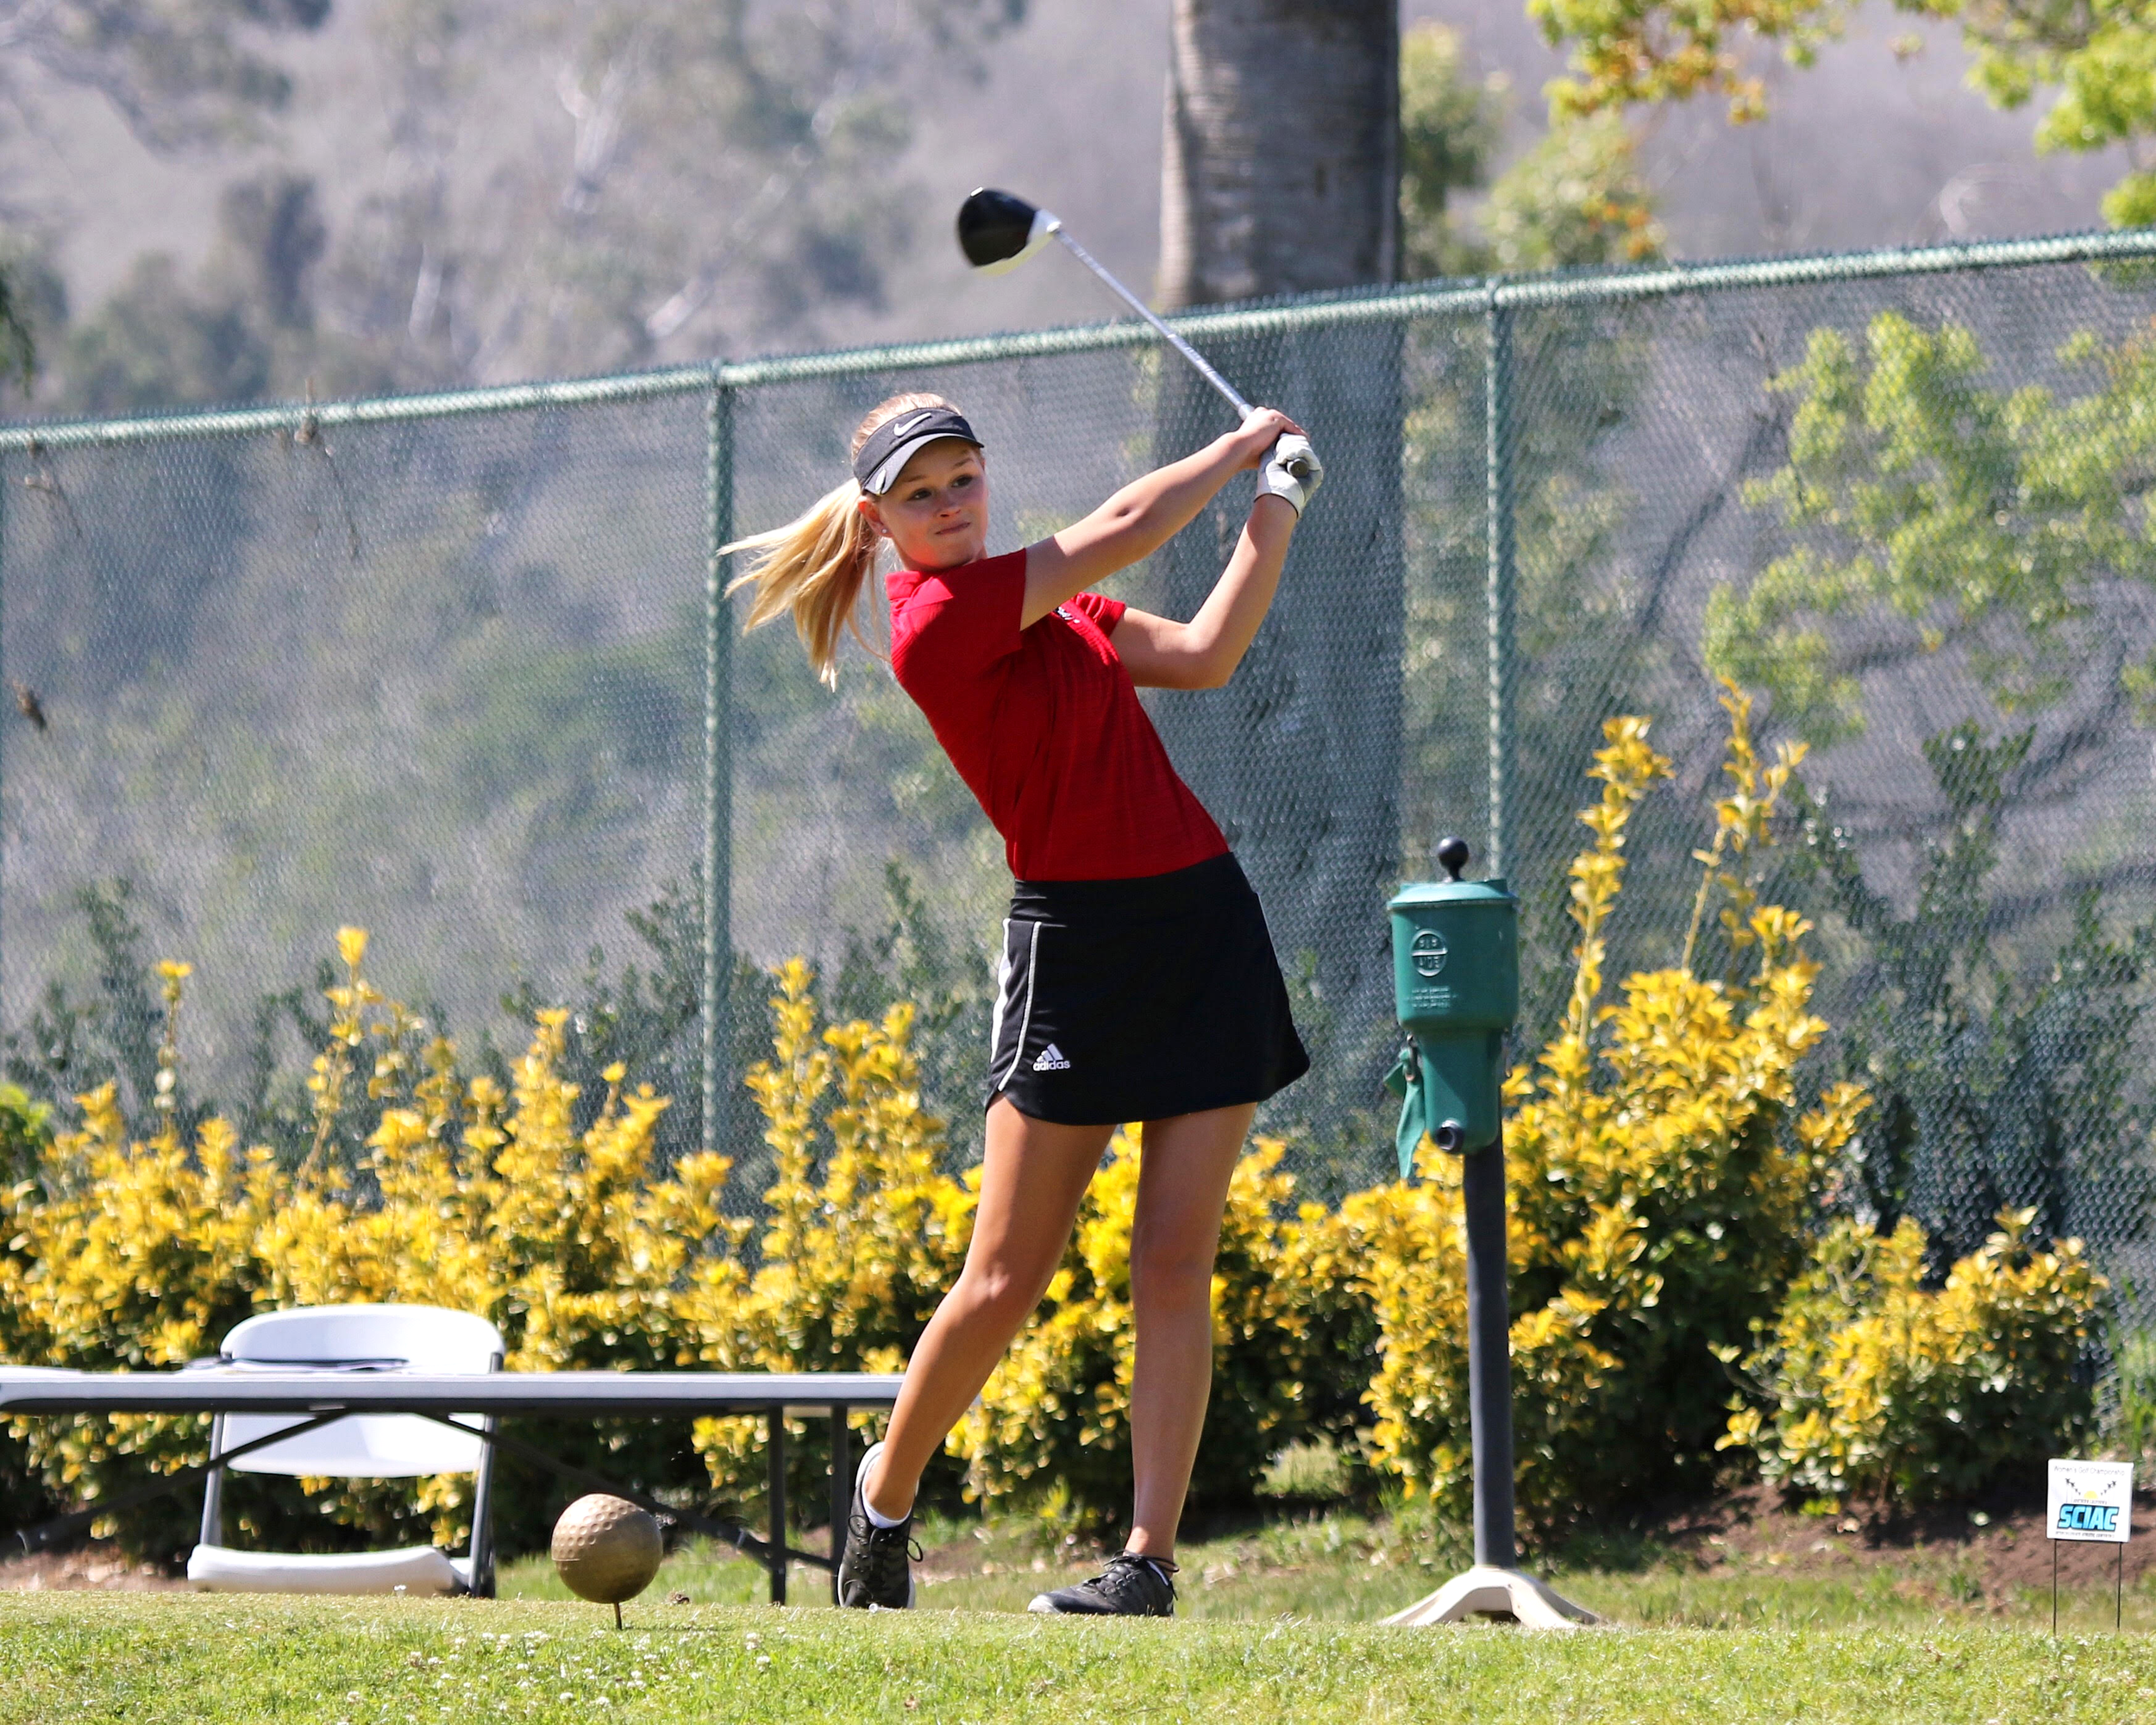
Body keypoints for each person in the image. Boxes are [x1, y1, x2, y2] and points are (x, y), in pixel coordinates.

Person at [724, 391, 1322, 1617]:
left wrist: (1280, 503)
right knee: (1006, 1274)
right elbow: (1116, 524)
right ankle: (884, 1500)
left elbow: (1208, 654)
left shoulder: (1055, 609)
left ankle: (1147, 1563)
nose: (949, 507)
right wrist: (1233, 449)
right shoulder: (935, 620)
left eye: (963, 481)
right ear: (882, 523)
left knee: (1174, 1260)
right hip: (1080, 945)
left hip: (1203, 925)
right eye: (921, 494)